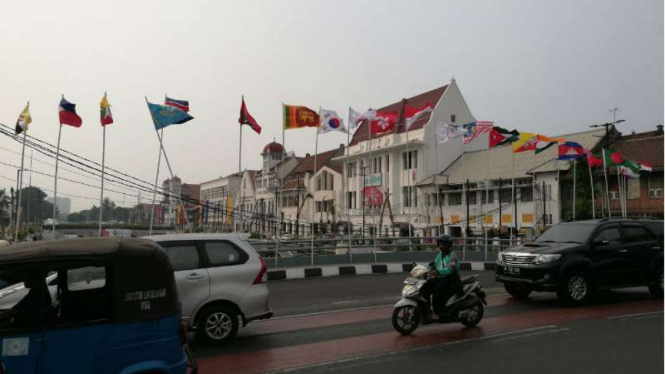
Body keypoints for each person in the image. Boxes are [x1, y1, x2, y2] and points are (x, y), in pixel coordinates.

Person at [421, 235, 460, 316]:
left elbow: (450, 269)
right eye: (439, 244)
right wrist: (428, 269)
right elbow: (435, 264)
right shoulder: (441, 254)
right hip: (442, 277)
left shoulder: (453, 256)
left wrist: (437, 272)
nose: (440, 246)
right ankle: (426, 309)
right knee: (425, 286)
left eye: (443, 244)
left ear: (448, 245)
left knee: (437, 290)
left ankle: (439, 311)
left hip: (452, 279)